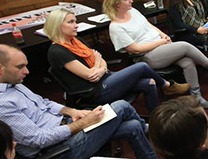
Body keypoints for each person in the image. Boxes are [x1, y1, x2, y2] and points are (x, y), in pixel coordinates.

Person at [0, 44, 159, 159]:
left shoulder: (12, 83)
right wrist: (83, 123)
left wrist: (72, 112)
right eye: (20, 67)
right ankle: (159, 132)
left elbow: (44, 102)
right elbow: (39, 140)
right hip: (56, 151)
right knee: (121, 106)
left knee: (133, 127)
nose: (27, 72)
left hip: (66, 128)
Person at [103, 0, 208, 109]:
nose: (131, 1)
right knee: (185, 46)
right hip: (148, 56)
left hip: (162, 47)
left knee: (187, 62)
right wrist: (160, 42)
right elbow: (135, 49)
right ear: (117, 4)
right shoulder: (116, 27)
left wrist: (164, 35)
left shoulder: (133, 11)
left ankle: (196, 96)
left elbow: (149, 25)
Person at [44, 8, 189, 113]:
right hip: (95, 91)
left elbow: (102, 61)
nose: (76, 25)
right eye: (71, 22)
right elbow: (90, 76)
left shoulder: (77, 40)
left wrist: (100, 66)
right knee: (142, 67)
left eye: (75, 21)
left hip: (106, 77)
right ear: (57, 26)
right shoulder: (57, 51)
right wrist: (97, 62)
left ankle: (156, 120)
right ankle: (166, 85)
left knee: (150, 83)